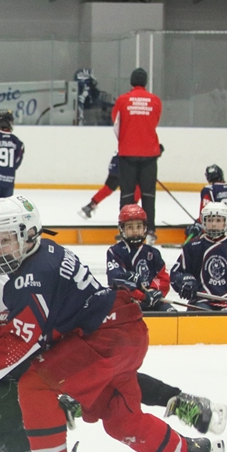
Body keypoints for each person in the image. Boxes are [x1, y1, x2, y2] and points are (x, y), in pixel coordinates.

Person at [0, 195, 223, 452]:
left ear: (28, 233)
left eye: (5, 240)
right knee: (121, 420)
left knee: (35, 383)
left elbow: (20, 340)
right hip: (114, 334)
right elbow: (21, 325)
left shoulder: (32, 275)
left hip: (106, 338)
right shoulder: (40, 256)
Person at [110, 67, 162, 228]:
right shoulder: (155, 100)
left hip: (127, 154)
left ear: (132, 81)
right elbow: (155, 121)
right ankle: (150, 229)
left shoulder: (123, 100)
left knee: (127, 194)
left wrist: (126, 141)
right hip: (150, 154)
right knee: (148, 194)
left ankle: (125, 227)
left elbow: (116, 124)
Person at [106, 205, 171, 311]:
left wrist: (154, 292)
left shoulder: (153, 253)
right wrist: (143, 296)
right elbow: (117, 281)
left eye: (139, 226)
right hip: (127, 302)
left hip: (152, 299)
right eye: (130, 227)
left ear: (145, 227)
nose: (135, 231)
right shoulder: (115, 252)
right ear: (122, 229)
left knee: (171, 314)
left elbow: (163, 277)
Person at [78, 154, 122, 219]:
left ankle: (90, 206)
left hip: (117, 163)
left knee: (108, 188)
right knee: (136, 187)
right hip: (123, 163)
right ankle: (132, 211)